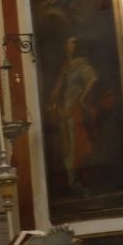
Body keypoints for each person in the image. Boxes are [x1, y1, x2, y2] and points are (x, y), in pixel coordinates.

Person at [45, 37, 101, 192]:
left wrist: (83, 96)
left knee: (77, 147)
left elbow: (93, 78)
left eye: (74, 42)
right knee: (66, 147)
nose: (71, 45)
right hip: (63, 111)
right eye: (70, 42)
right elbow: (57, 88)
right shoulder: (66, 66)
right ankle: (72, 181)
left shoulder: (81, 64)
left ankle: (78, 181)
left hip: (75, 110)